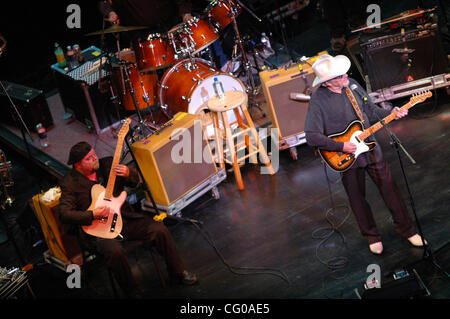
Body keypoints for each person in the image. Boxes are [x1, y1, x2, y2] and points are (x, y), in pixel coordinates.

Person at [305, 54, 426, 255]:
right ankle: (372, 236)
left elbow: (370, 111)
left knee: (390, 188)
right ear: (327, 83)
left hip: (370, 146)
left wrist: (392, 113)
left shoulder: (351, 85)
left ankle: (408, 230)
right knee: (357, 197)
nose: (345, 76)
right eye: (339, 76)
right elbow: (311, 136)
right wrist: (340, 147)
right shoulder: (318, 100)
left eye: (343, 74)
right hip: (345, 157)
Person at [59, 141, 198, 297]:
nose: (95, 158)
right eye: (89, 158)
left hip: (125, 219)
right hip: (99, 230)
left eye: (94, 154)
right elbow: (65, 214)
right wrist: (92, 214)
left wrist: (129, 174)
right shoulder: (69, 183)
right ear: (78, 165)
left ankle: (177, 273)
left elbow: (136, 182)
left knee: (159, 230)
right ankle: (133, 292)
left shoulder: (108, 164)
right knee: (115, 251)